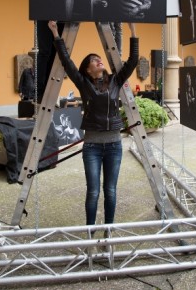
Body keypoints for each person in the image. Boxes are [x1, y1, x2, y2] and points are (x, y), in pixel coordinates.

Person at [48, 20, 138, 228]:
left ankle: (108, 232)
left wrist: (133, 29)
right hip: (92, 147)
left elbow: (133, 60)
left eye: (99, 59)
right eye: (94, 60)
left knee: (111, 191)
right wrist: (55, 33)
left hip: (115, 145)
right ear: (88, 70)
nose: (99, 61)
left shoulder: (116, 80)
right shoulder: (83, 83)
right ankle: (90, 232)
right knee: (93, 192)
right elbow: (66, 61)